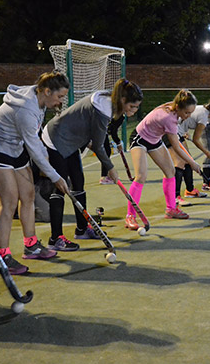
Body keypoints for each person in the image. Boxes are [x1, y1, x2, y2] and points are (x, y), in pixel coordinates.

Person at [0, 71, 71, 275]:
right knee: (9, 201)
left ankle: (31, 245)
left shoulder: (40, 101)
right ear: (47, 91)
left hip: (15, 147)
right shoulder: (26, 110)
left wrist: (47, 159)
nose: (60, 100)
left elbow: (36, 140)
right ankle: (2, 258)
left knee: (28, 195)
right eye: (60, 96)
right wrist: (55, 176)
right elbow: (34, 149)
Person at [42, 78, 143, 248]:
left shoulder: (109, 101)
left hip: (71, 140)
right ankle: (55, 239)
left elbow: (90, 132)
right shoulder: (104, 108)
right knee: (60, 188)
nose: (134, 110)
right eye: (132, 107)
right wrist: (110, 168)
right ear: (123, 100)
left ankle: (82, 229)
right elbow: (98, 145)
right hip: (55, 138)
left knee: (78, 183)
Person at [126, 90, 202, 228]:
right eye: (187, 113)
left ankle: (171, 209)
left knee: (170, 171)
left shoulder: (174, 107)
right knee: (141, 176)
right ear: (178, 108)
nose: (188, 116)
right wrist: (193, 163)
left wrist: (191, 161)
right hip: (140, 139)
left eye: (191, 113)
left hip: (155, 139)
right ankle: (130, 216)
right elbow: (177, 147)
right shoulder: (169, 118)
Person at [169, 95, 210, 207]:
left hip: (179, 132)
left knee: (188, 160)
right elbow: (196, 140)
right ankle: (175, 197)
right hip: (171, 131)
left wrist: (184, 131)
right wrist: (207, 153)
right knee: (181, 162)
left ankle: (190, 190)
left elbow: (186, 121)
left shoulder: (203, 110)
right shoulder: (204, 118)